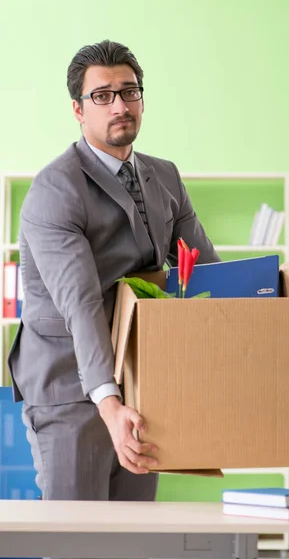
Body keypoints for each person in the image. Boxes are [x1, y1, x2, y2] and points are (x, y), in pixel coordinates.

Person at [7, 40, 220, 502]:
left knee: (134, 534)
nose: (120, 105)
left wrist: (264, 302)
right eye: (102, 95)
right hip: (68, 382)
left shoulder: (164, 177)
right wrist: (109, 403)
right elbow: (81, 304)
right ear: (78, 110)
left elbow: (204, 272)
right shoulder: (55, 189)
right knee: (77, 538)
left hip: (141, 376)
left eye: (130, 91)